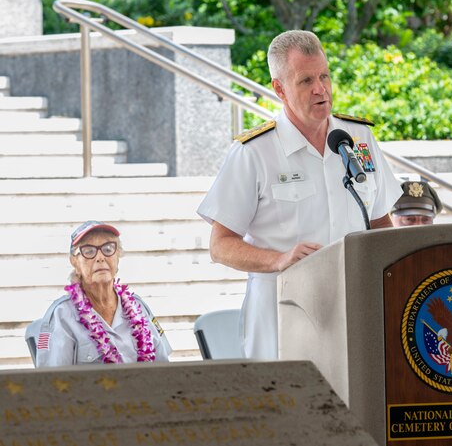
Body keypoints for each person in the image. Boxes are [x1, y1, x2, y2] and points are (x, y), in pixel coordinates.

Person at [197, 30, 402, 360]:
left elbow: (381, 223)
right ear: (279, 88)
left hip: (356, 311)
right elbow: (220, 245)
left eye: (324, 76)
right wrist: (278, 259)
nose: (321, 89)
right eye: (306, 81)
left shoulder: (357, 139)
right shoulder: (254, 152)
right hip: (284, 316)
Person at [36, 221, 171, 366]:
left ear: (118, 256)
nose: (100, 257)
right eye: (88, 251)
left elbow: (164, 369)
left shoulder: (139, 308)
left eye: (108, 249)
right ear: (74, 262)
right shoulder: (61, 316)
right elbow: (54, 382)